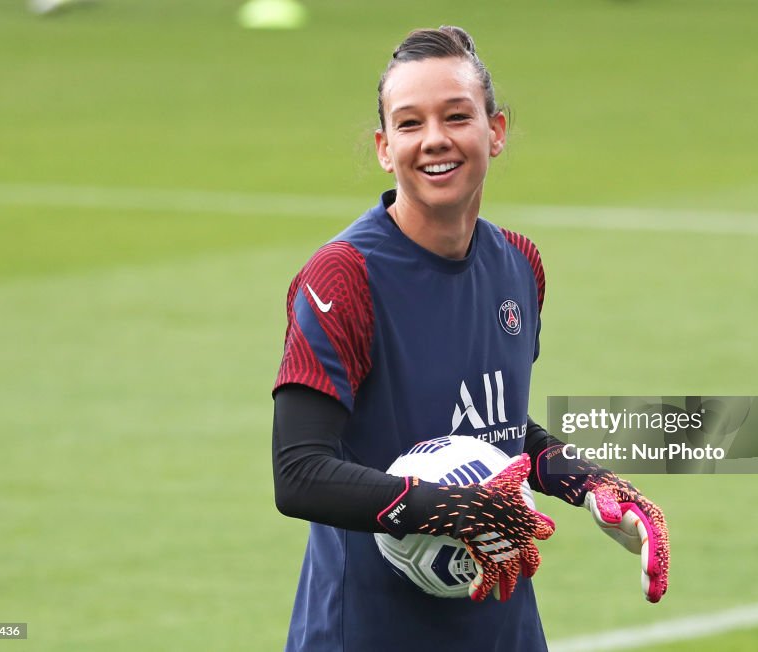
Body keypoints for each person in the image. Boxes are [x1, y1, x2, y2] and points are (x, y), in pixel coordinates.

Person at [272, 26, 669, 652]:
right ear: (384, 147)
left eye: (457, 116)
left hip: (502, 631)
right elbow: (299, 474)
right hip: (367, 635)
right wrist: (444, 507)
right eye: (409, 123)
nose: (434, 139)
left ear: (496, 130)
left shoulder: (518, 264)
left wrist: (587, 482)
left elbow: (497, 428)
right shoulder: (343, 277)